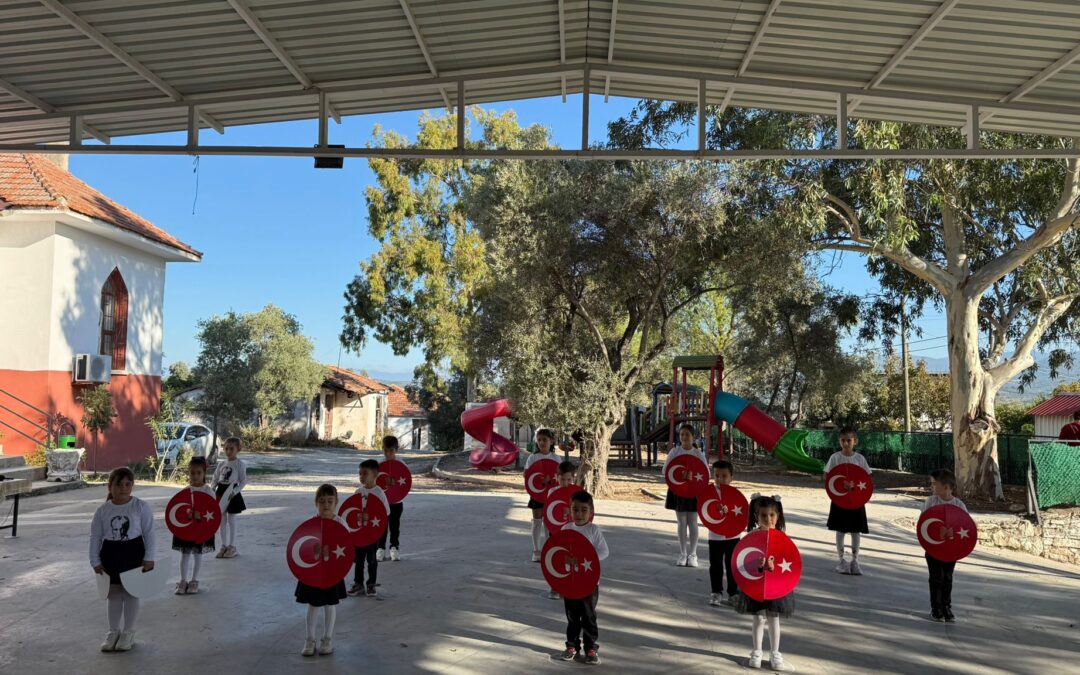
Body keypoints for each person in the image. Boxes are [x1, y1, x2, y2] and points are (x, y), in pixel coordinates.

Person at [90, 467, 156, 653]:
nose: (123, 488)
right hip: (110, 555)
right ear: (110, 486)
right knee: (114, 594)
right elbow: (95, 537)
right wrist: (94, 560)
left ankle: (128, 632)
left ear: (132, 486)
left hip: (134, 554)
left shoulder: (140, 507)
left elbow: (149, 533)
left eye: (128, 484)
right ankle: (113, 632)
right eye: (118, 484)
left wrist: (149, 557)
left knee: (131, 592)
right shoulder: (103, 510)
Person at [735, 494, 794, 672]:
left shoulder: (783, 538)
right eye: (763, 515)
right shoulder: (751, 537)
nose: (768, 519)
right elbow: (743, 562)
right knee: (759, 618)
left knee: (773, 618)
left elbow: (790, 563)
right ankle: (757, 651)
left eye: (772, 515)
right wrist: (758, 565)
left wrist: (773, 566)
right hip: (755, 585)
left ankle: (775, 652)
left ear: (778, 516)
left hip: (776, 585)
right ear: (756, 516)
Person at [295, 483, 349, 657]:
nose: (326, 505)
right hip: (313, 572)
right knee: (313, 605)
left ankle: (327, 639)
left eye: (330, 501)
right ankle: (309, 639)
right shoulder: (310, 524)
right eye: (322, 501)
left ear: (336, 503)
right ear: (316, 502)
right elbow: (303, 549)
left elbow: (347, 549)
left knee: (330, 604)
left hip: (333, 572)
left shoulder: (341, 523)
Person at [559, 490, 609, 666]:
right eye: (575, 509)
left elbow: (604, 552)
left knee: (588, 616)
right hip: (570, 582)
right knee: (572, 616)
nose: (579, 514)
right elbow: (558, 554)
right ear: (570, 511)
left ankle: (591, 648)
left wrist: (585, 555)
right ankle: (572, 646)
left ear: (591, 512)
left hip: (589, 582)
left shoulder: (593, 530)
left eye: (583, 510)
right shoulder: (566, 529)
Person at [824, 427, 872, 575]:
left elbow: (867, 479)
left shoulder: (860, 459)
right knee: (841, 529)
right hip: (840, 501)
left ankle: (855, 561)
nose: (846, 443)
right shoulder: (835, 458)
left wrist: (856, 486)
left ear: (855, 441)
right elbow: (827, 477)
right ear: (839, 441)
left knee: (855, 530)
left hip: (856, 501)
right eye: (843, 440)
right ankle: (842, 560)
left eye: (849, 440)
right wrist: (840, 485)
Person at [923, 469, 968, 623]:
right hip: (933, 549)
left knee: (947, 578)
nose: (932, 487)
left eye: (935, 484)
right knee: (936, 578)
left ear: (947, 487)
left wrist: (953, 532)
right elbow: (924, 523)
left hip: (951, 551)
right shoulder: (930, 502)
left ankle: (946, 607)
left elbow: (966, 526)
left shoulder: (958, 505)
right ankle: (936, 608)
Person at [664, 423, 706, 567]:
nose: (684, 437)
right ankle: (683, 554)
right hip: (678, 492)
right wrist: (678, 476)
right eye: (682, 434)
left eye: (687, 434)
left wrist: (692, 477)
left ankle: (693, 555)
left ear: (693, 437)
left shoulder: (698, 454)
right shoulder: (674, 452)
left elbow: (705, 474)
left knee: (693, 522)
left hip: (694, 492)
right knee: (682, 522)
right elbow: (665, 471)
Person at [172, 456, 216, 594]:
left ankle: (194, 581)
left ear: (204, 473)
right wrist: (187, 514)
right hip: (187, 529)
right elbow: (179, 510)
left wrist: (201, 515)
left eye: (198, 473)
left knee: (197, 554)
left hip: (200, 530)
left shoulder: (208, 491)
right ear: (188, 473)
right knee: (185, 554)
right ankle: (183, 581)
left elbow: (214, 512)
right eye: (192, 473)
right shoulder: (185, 491)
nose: (195, 476)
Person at [348, 459, 391, 598]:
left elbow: (385, 514)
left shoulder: (379, 493)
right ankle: (358, 584)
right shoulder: (358, 491)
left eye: (365, 473)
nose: (361, 476)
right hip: (360, 534)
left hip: (372, 535)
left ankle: (371, 584)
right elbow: (352, 512)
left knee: (372, 560)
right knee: (359, 560)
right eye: (360, 473)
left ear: (375, 475)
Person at [707, 460, 741, 607]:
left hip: (733, 536)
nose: (720, 479)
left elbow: (741, 514)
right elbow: (705, 511)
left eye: (724, 476)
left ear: (731, 477)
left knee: (732, 565)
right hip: (715, 536)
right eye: (717, 476)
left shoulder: (736, 494)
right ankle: (716, 592)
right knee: (715, 566)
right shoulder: (709, 493)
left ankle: (733, 593)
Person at [545, 460, 578, 600]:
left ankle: (569, 585)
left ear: (573, 478)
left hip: (572, 532)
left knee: (571, 558)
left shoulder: (576, 491)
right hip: (556, 532)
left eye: (569, 479)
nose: (565, 482)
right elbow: (549, 513)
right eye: (562, 479)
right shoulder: (552, 491)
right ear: (556, 477)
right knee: (556, 557)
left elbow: (582, 511)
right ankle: (555, 586)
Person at [524, 428, 559, 562]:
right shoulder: (533, 458)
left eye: (545, 439)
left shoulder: (556, 458)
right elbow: (527, 476)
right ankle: (536, 550)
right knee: (537, 522)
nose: (542, 442)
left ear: (551, 441)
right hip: (537, 495)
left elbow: (559, 476)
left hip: (551, 495)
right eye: (539, 440)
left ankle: (549, 549)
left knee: (549, 523)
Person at [213, 437, 248, 559]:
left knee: (231, 520)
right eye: (226, 448)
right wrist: (213, 489)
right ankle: (223, 545)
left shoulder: (240, 465)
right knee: (221, 520)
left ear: (238, 449)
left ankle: (232, 546)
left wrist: (235, 491)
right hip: (221, 492)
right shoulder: (222, 464)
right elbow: (216, 478)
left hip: (232, 493)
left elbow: (243, 481)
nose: (228, 451)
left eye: (231, 449)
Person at [377, 435, 406, 562]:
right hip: (382, 502)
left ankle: (394, 548)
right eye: (386, 450)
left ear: (396, 450)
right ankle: (380, 549)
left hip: (396, 502)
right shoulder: (379, 465)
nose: (388, 454)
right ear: (382, 449)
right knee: (382, 526)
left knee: (394, 526)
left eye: (391, 451)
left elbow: (405, 483)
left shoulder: (401, 464)